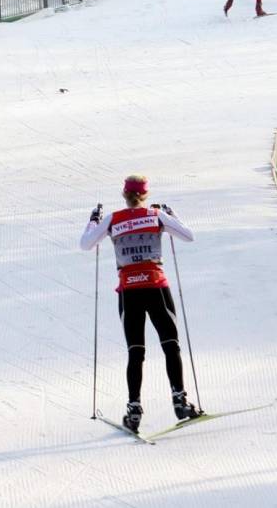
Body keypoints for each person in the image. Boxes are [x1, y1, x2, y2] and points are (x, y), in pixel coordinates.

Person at [80, 175, 199, 433]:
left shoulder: (113, 219)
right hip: (156, 287)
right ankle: (180, 402)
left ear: (124, 194)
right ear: (146, 194)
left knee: (136, 351)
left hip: (130, 290)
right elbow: (188, 236)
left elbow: (86, 244)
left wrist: (93, 221)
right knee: (171, 345)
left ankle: (133, 411)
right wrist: (171, 214)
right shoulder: (155, 215)